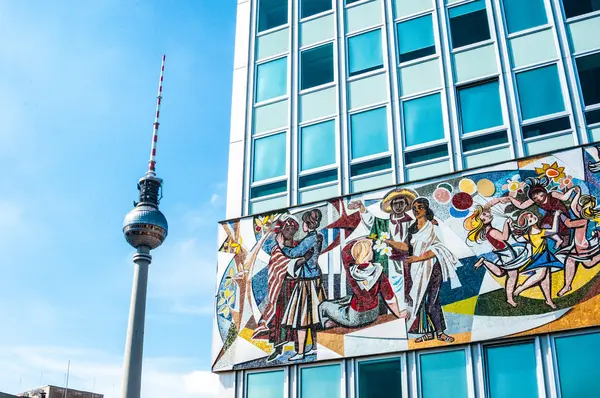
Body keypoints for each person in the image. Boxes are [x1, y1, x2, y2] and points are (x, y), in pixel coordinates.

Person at [385, 198, 461, 343]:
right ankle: (428, 333)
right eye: (414, 207)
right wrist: (390, 242)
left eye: (420, 207)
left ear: (426, 209)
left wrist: (418, 258)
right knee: (420, 301)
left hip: (432, 267)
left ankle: (440, 332)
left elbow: (438, 247)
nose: (416, 210)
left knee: (432, 302)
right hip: (416, 270)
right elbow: (407, 247)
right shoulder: (412, 228)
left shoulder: (433, 225)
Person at [251, 215, 307, 362]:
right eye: (287, 228)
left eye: (293, 228)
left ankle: (298, 348)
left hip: (297, 286)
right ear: (281, 229)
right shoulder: (277, 248)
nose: (290, 231)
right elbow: (280, 264)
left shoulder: (298, 245)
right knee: (280, 316)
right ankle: (278, 348)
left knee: (296, 316)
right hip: (283, 287)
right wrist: (301, 259)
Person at [319, 238, 406, 329]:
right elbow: (390, 298)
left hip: (355, 318)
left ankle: (328, 324)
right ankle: (335, 321)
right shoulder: (379, 272)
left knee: (323, 306)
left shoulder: (352, 271)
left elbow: (345, 252)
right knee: (347, 299)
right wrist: (398, 314)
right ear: (368, 253)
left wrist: (360, 241)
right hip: (373, 314)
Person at [278, 209, 327, 361]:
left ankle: (300, 353)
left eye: (304, 222)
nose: (302, 226)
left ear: (307, 224)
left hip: (307, 281)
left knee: (302, 319)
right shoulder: (319, 236)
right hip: (316, 278)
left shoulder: (309, 239)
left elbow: (294, 253)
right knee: (315, 317)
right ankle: (314, 347)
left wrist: (282, 246)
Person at [465, 201, 529, 307]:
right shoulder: (491, 231)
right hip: (506, 254)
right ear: (482, 223)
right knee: (512, 276)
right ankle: (509, 298)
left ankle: (484, 261)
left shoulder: (487, 229)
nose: (488, 215)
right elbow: (504, 237)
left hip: (505, 252)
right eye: (484, 217)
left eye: (485, 214)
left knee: (501, 273)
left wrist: (500, 200)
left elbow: (487, 206)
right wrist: (506, 224)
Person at [511, 210, 563, 309]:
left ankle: (548, 300)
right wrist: (556, 215)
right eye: (529, 220)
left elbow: (554, 231)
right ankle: (521, 287)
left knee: (545, 279)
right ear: (527, 225)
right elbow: (517, 238)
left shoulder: (542, 231)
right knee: (541, 274)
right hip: (537, 258)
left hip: (545, 255)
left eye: (531, 215)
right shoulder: (529, 235)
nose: (532, 218)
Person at [509, 178, 579, 249]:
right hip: (551, 215)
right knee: (544, 226)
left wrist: (572, 189)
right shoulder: (535, 201)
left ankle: (564, 243)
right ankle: (559, 240)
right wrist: (511, 198)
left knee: (565, 230)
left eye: (541, 195)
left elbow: (564, 198)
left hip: (561, 213)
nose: (539, 198)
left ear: (544, 192)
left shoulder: (552, 194)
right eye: (535, 198)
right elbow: (522, 206)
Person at [557, 192, 600, 296]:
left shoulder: (583, 221)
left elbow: (569, 223)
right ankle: (567, 286)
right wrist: (578, 193)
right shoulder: (584, 217)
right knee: (570, 260)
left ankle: (567, 286)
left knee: (587, 263)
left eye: (580, 206)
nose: (577, 207)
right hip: (579, 247)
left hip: (585, 249)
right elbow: (573, 206)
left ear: (584, 210)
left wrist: (560, 214)